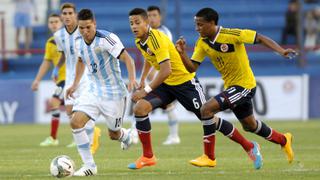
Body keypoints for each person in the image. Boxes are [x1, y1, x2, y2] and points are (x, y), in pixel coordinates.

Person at [128, 8, 262, 170]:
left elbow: (166, 70)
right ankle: (148, 156)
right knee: (140, 109)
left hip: (186, 84)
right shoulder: (139, 40)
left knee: (208, 117)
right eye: (131, 23)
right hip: (167, 84)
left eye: (137, 22)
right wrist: (143, 78)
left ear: (146, 23)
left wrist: (146, 90)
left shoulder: (156, 38)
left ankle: (249, 146)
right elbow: (150, 57)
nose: (134, 26)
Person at [175, 7, 295, 166]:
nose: (197, 28)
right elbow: (192, 68)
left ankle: (209, 157)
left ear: (212, 23)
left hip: (245, 85)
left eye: (200, 25)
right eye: (196, 25)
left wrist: (281, 51)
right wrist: (182, 54)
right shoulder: (202, 43)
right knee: (250, 125)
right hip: (232, 87)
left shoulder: (232, 35)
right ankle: (283, 139)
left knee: (206, 109)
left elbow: (259, 38)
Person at [66, 8, 137, 176]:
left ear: (94, 24)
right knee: (75, 122)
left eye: (88, 27)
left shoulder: (107, 39)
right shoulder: (77, 42)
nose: (85, 32)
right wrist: (75, 84)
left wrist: (132, 79)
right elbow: (81, 61)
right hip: (93, 90)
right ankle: (89, 165)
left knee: (113, 134)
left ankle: (125, 135)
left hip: (114, 94)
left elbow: (128, 58)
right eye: (81, 28)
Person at [53, 3, 101, 153]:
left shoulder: (83, 31)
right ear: (61, 16)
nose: (67, 16)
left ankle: (91, 141)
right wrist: (56, 67)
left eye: (70, 13)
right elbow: (63, 54)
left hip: (86, 76)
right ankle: (86, 138)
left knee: (83, 110)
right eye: (64, 13)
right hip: (69, 77)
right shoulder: (58, 35)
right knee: (69, 111)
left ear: (75, 15)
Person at [31, 13, 64, 146]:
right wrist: (37, 80)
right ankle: (53, 138)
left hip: (73, 78)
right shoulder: (50, 42)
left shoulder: (68, 39)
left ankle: (54, 138)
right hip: (62, 79)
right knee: (56, 103)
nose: (54, 24)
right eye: (51, 22)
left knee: (59, 103)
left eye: (56, 21)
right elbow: (46, 62)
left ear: (61, 23)